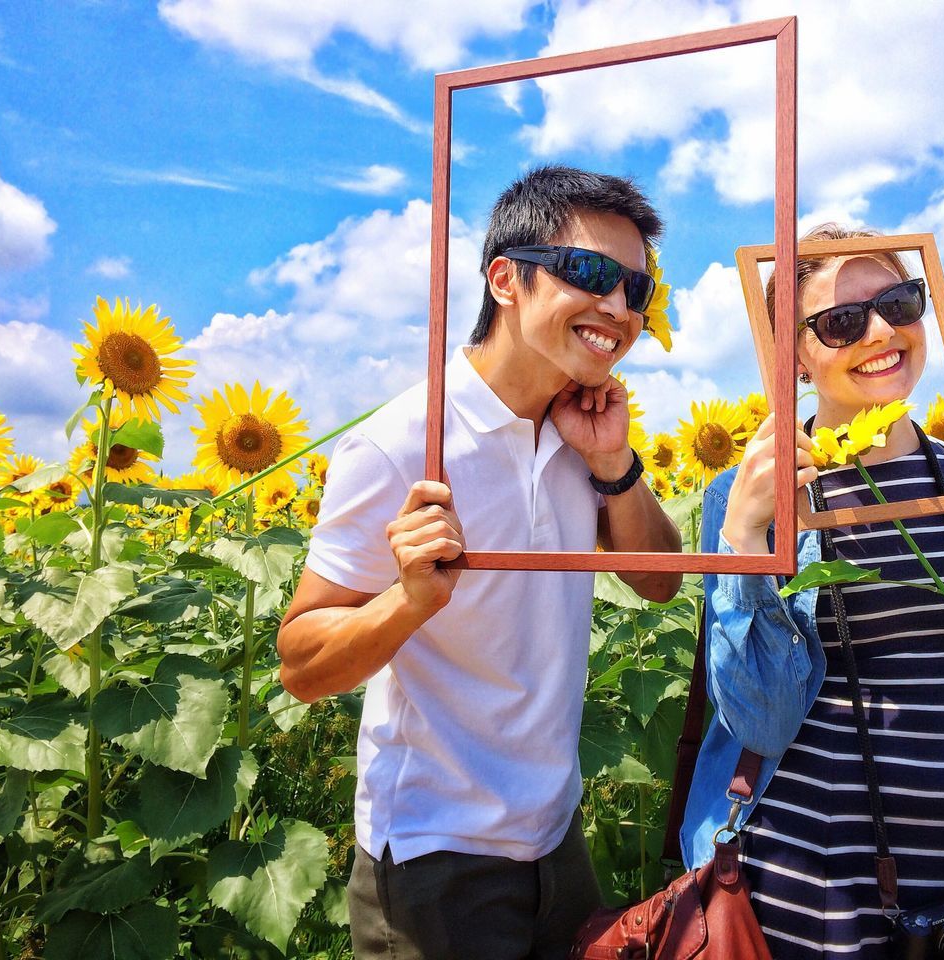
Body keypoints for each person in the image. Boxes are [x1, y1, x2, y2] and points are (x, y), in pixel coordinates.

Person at [277, 165, 683, 960]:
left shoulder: (580, 427)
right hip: (437, 857)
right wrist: (409, 602)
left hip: (556, 839)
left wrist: (614, 465)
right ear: (505, 278)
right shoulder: (403, 442)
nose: (618, 308)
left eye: (636, 290)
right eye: (589, 274)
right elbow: (301, 665)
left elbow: (658, 580)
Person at [679, 224, 944, 958]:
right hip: (803, 873)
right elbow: (760, 722)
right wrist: (745, 542)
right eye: (841, 321)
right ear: (792, 355)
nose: (880, 332)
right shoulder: (746, 498)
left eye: (900, 302)